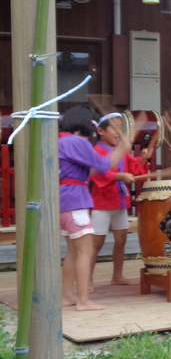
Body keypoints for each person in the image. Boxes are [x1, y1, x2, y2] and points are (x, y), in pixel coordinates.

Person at [59, 106, 128, 311]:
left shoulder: (60, 141)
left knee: (73, 251)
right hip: (75, 200)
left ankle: (67, 296)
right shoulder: (77, 142)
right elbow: (102, 166)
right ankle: (83, 300)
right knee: (85, 251)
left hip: (62, 200)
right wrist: (124, 147)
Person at [89, 112, 151, 291]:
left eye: (121, 130)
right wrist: (119, 176)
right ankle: (88, 280)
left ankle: (117, 276)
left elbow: (134, 168)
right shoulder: (97, 150)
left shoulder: (121, 151)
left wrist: (143, 158)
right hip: (102, 202)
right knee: (96, 243)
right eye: (114, 129)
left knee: (121, 239)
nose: (119, 133)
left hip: (119, 200)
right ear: (100, 131)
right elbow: (99, 173)